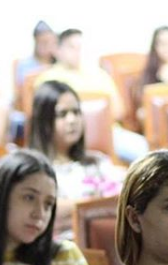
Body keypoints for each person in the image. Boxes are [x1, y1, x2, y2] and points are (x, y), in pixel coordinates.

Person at [36, 28, 148, 164]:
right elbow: (43, 118)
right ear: (58, 50)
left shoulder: (99, 74)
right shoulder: (47, 80)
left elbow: (119, 111)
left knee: (146, 152)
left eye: (80, 47)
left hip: (108, 133)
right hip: (64, 136)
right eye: (71, 47)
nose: (77, 52)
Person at [29, 80, 124, 234]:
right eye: (62, 114)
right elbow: (47, 211)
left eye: (76, 112)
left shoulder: (97, 161)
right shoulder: (33, 170)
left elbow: (125, 195)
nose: (72, 120)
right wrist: (97, 203)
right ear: (43, 121)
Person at [15, 20, 57, 88]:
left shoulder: (59, 63)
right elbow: (20, 92)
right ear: (36, 42)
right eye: (44, 42)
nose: (48, 46)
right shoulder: (24, 64)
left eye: (52, 42)